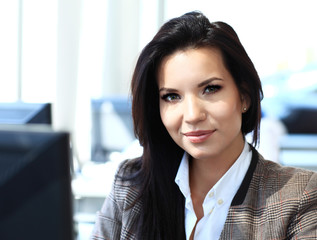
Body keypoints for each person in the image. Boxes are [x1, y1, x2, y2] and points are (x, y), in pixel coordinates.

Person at [91, 11, 317, 240]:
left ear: (244, 97)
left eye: (210, 89)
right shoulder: (132, 184)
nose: (192, 115)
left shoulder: (299, 195)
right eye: (171, 96)